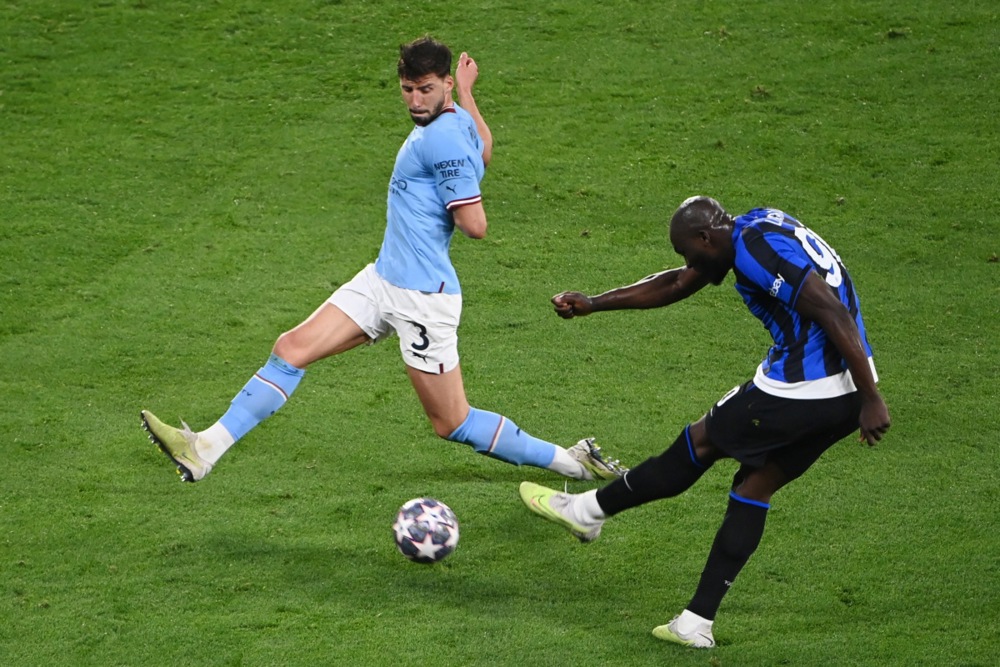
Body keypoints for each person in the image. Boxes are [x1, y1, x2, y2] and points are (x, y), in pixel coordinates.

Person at [141, 37, 625, 484]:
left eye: (425, 89)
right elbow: (485, 150)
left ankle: (573, 461)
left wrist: (456, 200)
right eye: (407, 89)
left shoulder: (442, 139)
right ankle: (204, 448)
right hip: (382, 280)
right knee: (291, 349)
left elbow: (476, 225)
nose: (415, 100)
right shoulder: (451, 120)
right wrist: (469, 97)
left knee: (452, 423)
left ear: (444, 84)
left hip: (421, 300)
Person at [519, 196, 890, 648]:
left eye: (688, 251)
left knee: (699, 443)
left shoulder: (755, 252)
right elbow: (676, 284)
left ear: (705, 238)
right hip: (844, 396)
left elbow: (831, 309)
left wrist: (874, 397)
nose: (687, 261)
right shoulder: (750, 229)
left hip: (805, 387)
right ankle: (695, 624)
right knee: (755, 488)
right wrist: (595, 303)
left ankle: (586, 511)